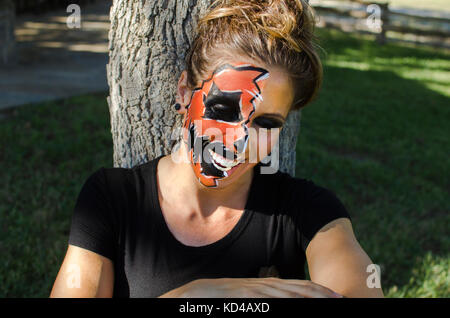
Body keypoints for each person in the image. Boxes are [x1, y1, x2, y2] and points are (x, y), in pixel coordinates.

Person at [50, 0, 384, 298]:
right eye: (223, 110)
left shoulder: (304, 210)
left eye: (267, 124)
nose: (239, 139)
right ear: (183, 94)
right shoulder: (112, 197)